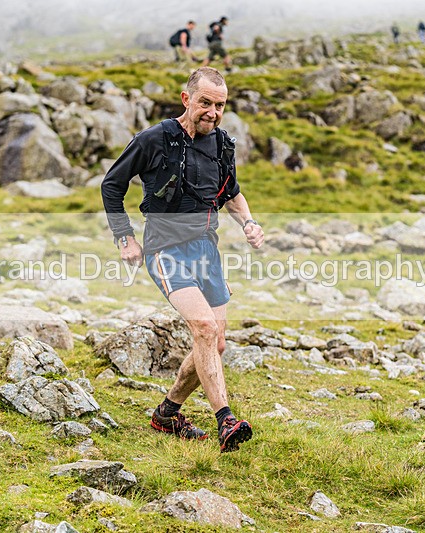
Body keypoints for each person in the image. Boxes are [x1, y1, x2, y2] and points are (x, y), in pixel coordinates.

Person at [101, 67, 264, 453]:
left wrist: (249, 223)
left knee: (216, 343)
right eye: (206, 103)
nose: (213, 112)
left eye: (220, 105)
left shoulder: (222, 145)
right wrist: (125, 238)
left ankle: (167, 413)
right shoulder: (154, 139)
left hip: (206, 250)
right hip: (165, 249)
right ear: (186, 99)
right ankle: (226, 420)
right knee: (204, 329)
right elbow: (112, 184)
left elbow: (231, 193)